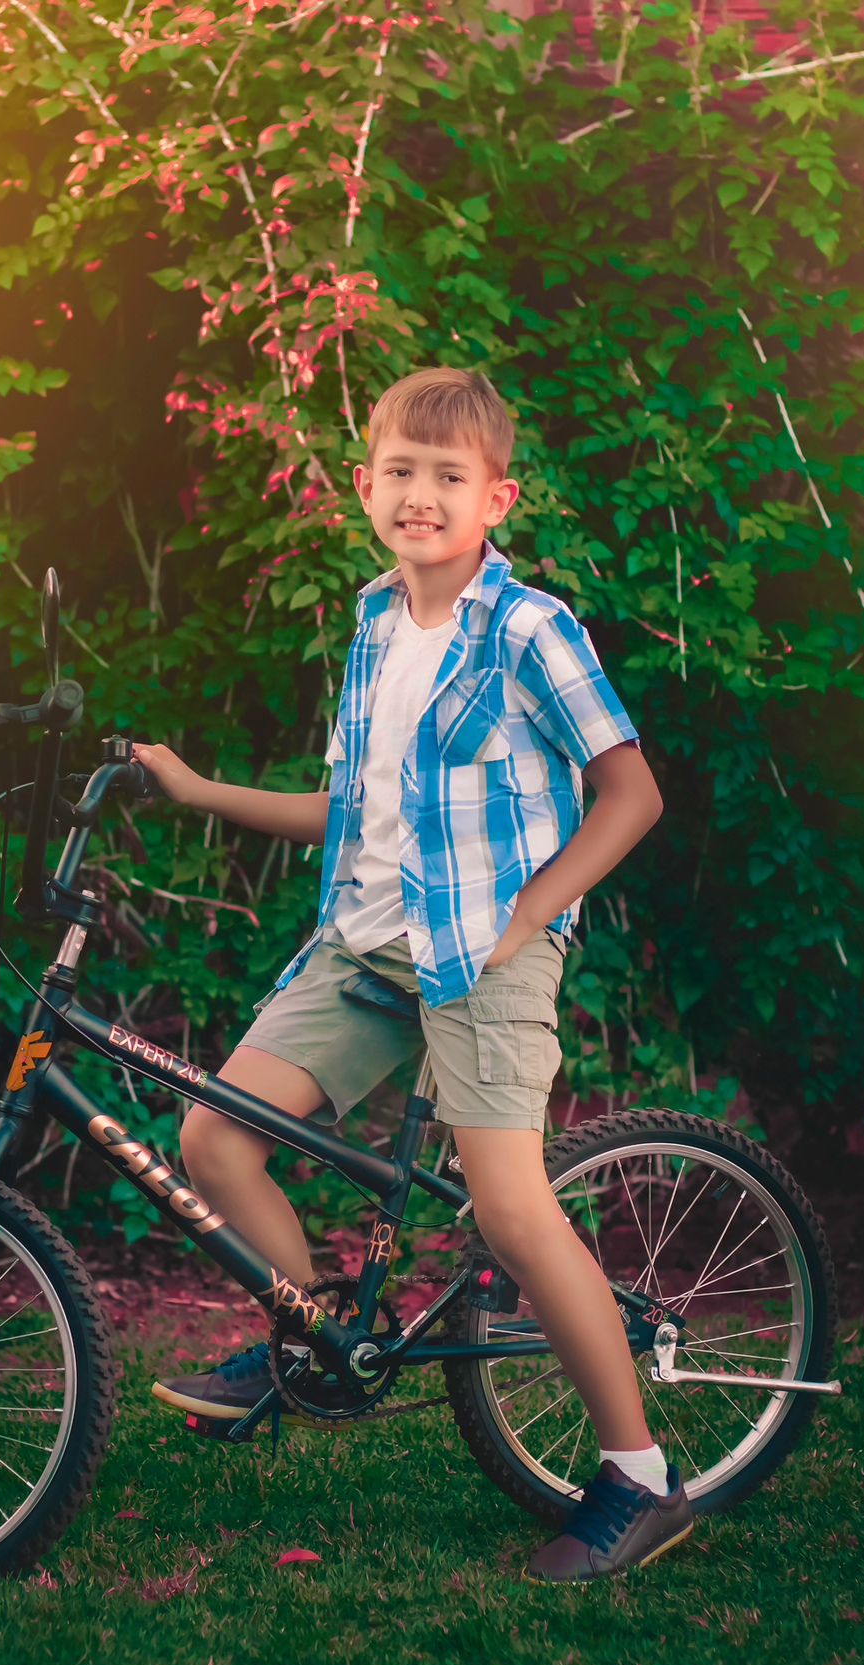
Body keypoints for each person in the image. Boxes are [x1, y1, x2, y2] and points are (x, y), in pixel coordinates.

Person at [133, 366, 692, 1582]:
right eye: (400, 471)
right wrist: (199, 790)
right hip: (366, 942)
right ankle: (309, 1343)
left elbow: (631, 793)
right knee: (215, 1137)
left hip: (487, 953)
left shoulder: (530, 628)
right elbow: (346, 808)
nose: (420, 495)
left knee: (510, 1210)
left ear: (497, 499)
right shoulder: (376, 626)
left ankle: (641, 1478)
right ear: (365, 486)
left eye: (448, 476)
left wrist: (529, 915)